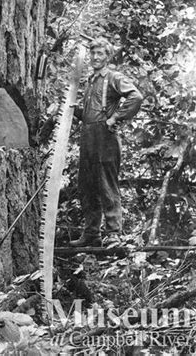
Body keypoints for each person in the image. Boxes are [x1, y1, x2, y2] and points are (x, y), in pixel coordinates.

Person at [71, 37, 143, 247]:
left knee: (106, 184)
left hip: (106, 138)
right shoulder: (90, 81)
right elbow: (88, 115)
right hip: (88, 138)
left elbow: (135, 97)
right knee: (87, 185)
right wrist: (69, 109)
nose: (95, 57)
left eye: (100, 53)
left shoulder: (114, 77)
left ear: (108, 56)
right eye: (92, 53)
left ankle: (113, 234)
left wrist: (115, 118)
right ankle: (91, 233)